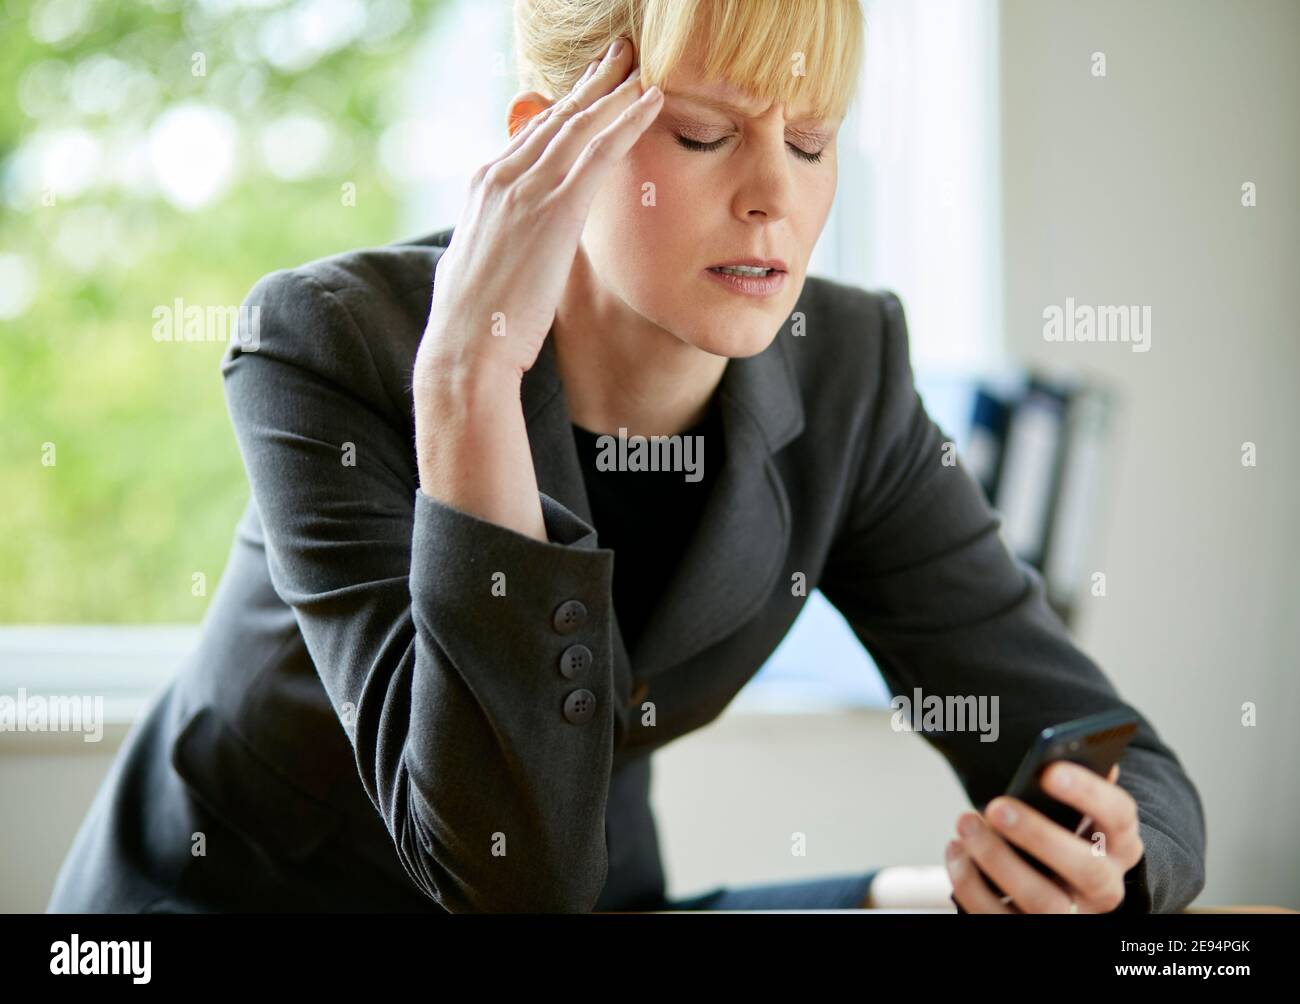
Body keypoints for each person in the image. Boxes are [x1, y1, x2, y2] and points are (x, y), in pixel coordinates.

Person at [47, 0, 1205, 914]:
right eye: (704, 132)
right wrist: (466, 390)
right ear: (543, 145)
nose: (772, 199)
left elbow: (1131, 768)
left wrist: (1092, 861)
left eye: (809, 140)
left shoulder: (847, 364)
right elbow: (502, 878)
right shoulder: (335, 340)